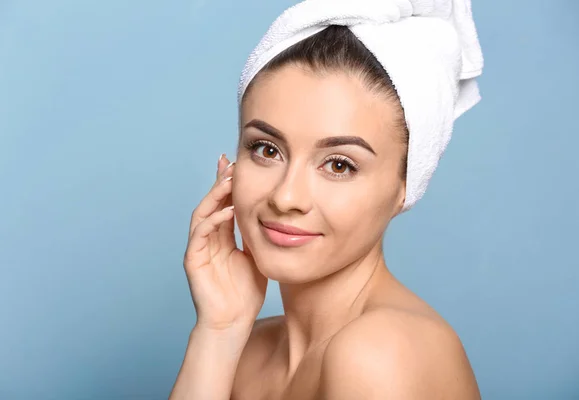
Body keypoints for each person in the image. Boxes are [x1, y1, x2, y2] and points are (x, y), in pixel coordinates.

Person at [170, 2, 484, 399]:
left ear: (406, 184)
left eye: (338, 165)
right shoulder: (248, 352)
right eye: (266, 150)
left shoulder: (380, 353)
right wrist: (219, 330)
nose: (286, 197)